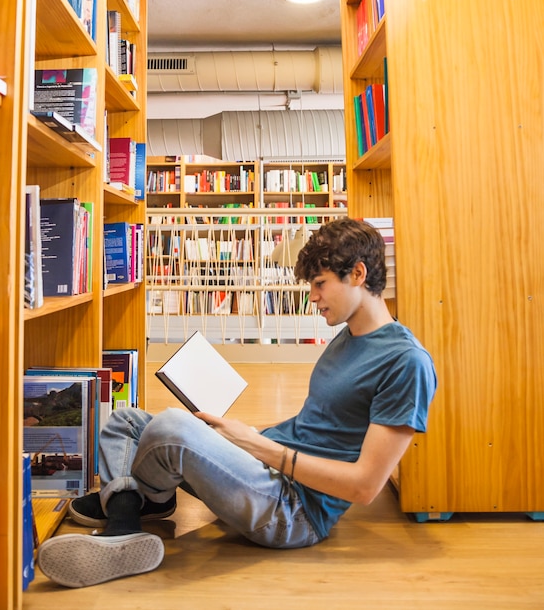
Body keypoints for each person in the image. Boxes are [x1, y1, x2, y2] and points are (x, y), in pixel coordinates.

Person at [37, 217, 438, 589]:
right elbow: (318, 425)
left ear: (358, 274)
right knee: (126, 420)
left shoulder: (406, 362)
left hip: (294, 511)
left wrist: (254, 444)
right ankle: (134, 510)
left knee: (172, 428)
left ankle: (125, 509)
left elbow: (366, 486)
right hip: (266, 468)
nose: (313, 298)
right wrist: (244, 437)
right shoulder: (350, 335)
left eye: (320, 283)